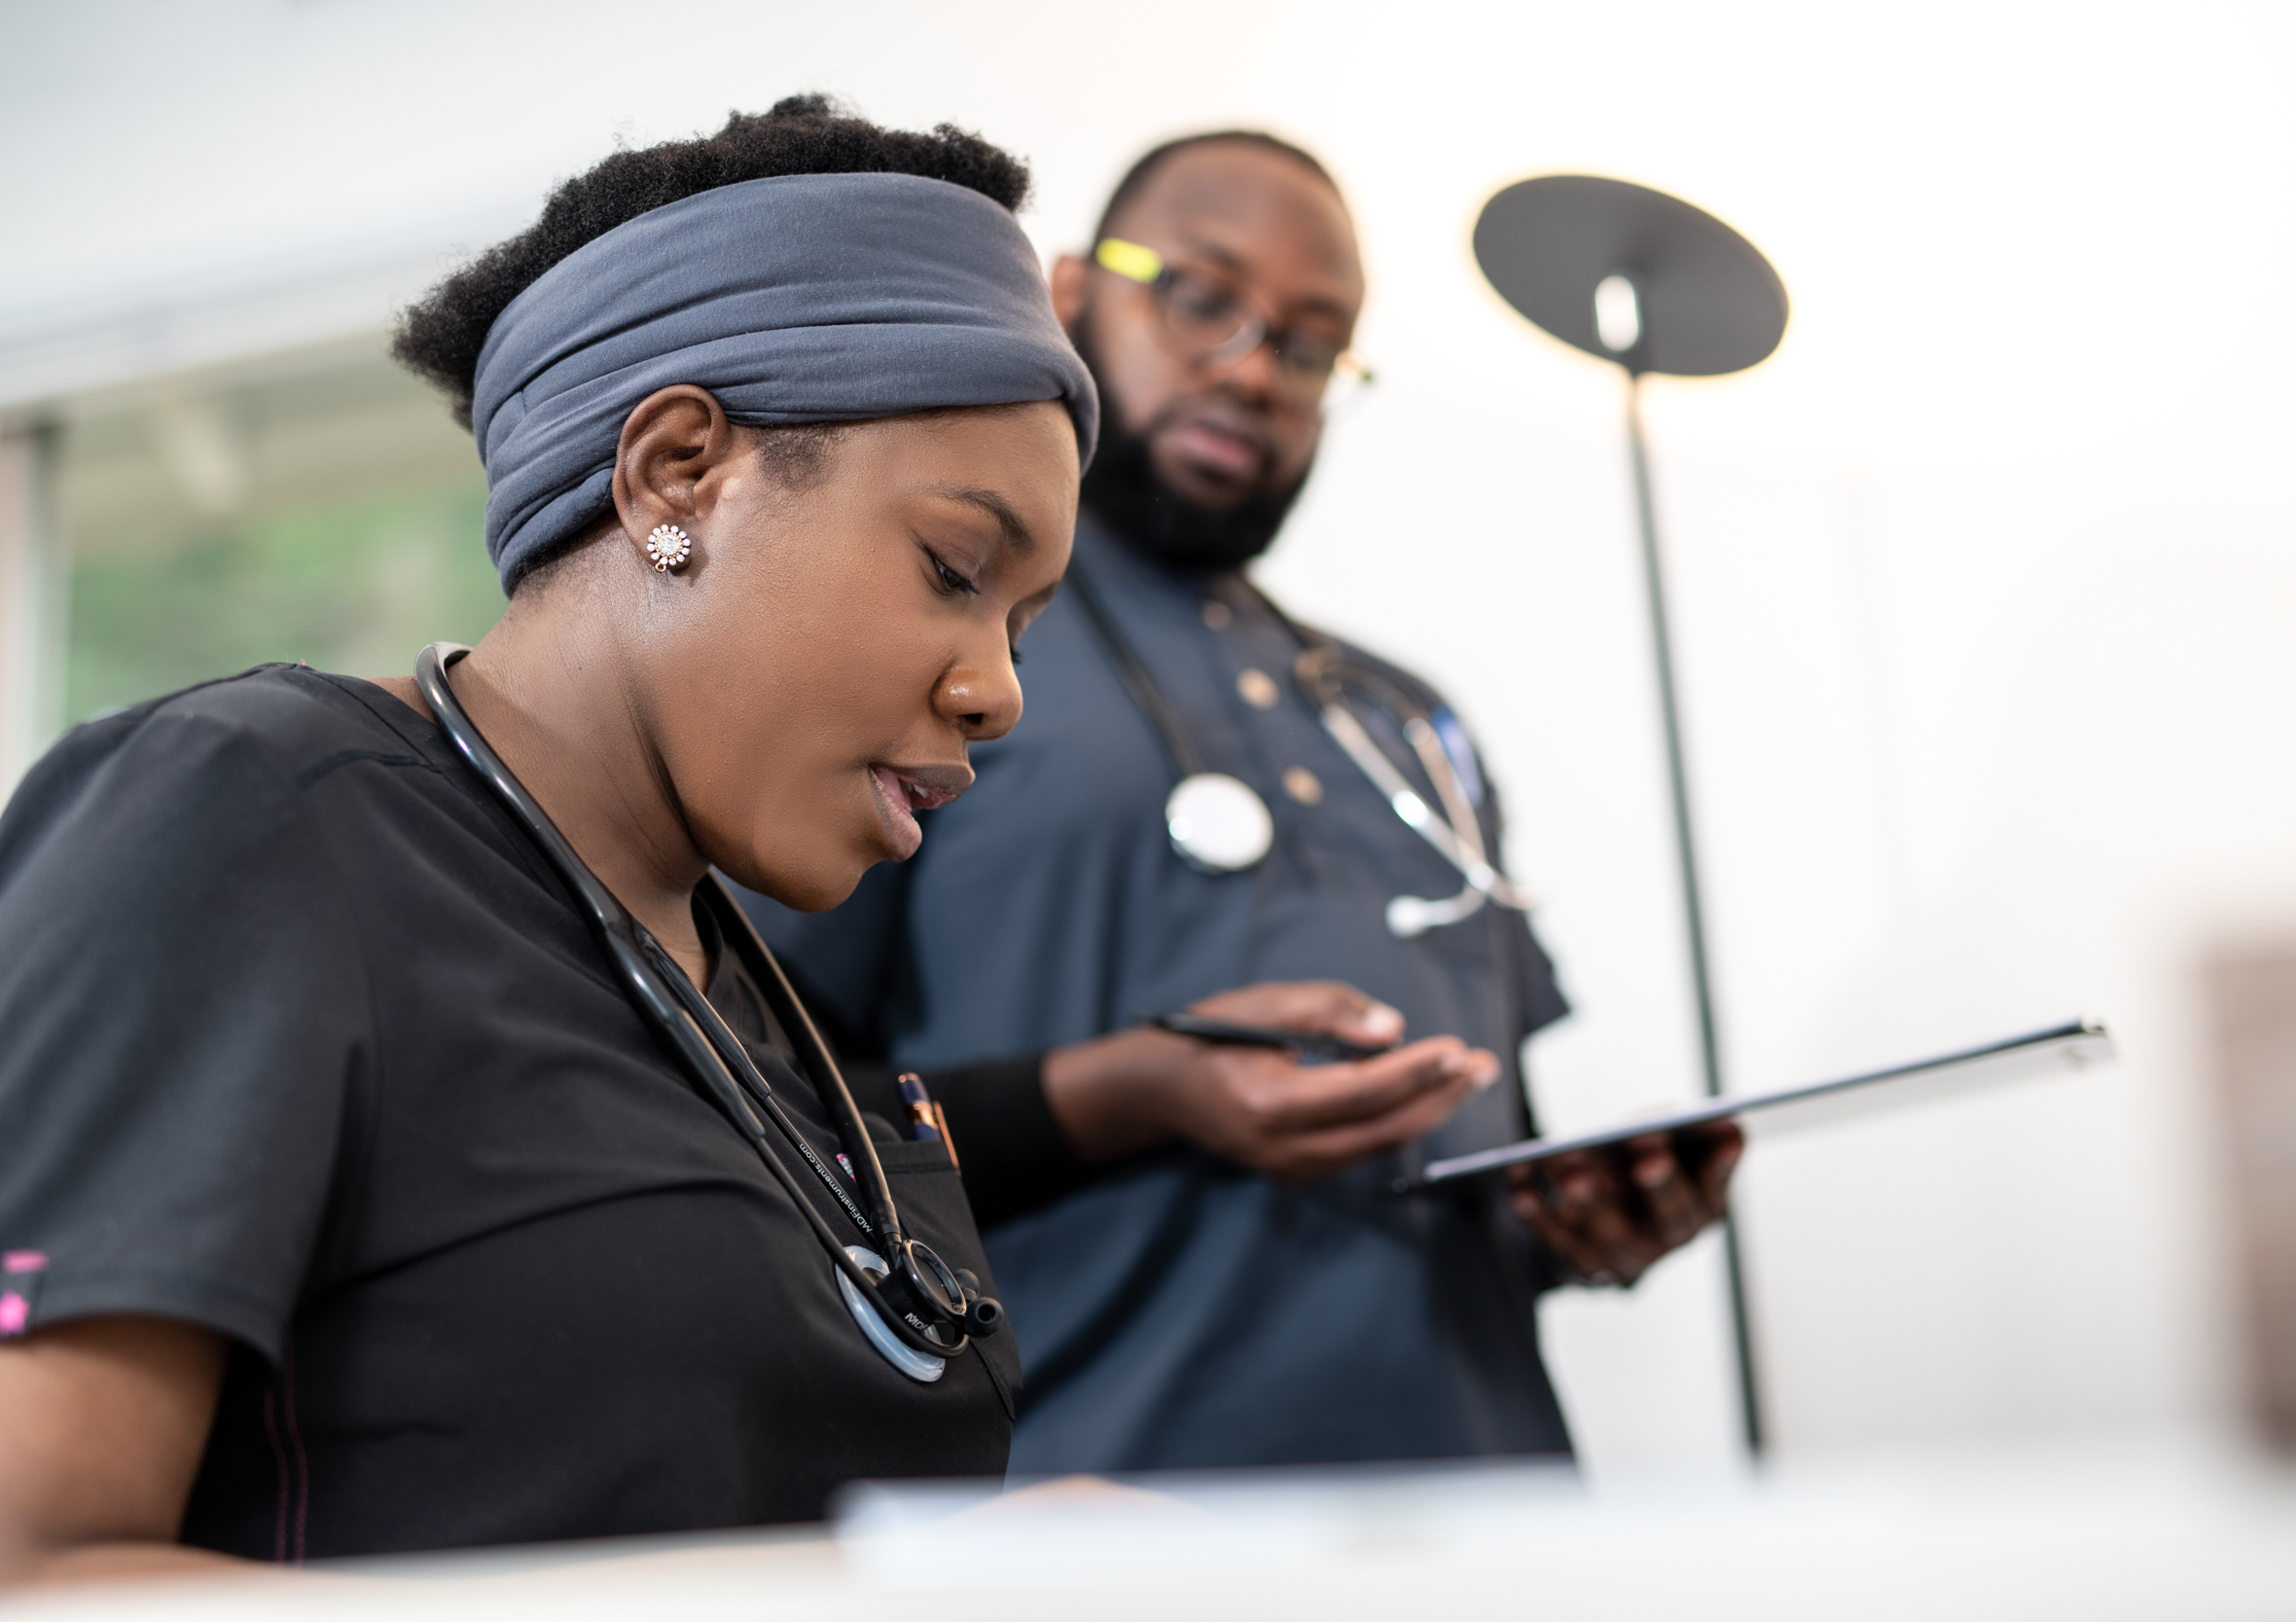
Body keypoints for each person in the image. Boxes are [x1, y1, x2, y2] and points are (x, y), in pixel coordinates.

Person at [0, 96, 1096, 1581]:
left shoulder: (766, 1031)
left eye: (1027, 626)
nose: (999, 691)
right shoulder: (256, 812)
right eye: (954, 569)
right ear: (675, 475)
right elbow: (35, 1569)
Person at [742, 130, 1741, 1474]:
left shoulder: (1407, 721)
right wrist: (1129, 1094)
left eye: (1313, 343)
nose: (1256, 367)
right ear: (1075, 295)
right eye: (1204, 297)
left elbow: (1486, 1149)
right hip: (1109, 1516)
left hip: (1494, 1504)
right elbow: (755, 1126)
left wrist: (1578, 1220)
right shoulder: (926, 669)